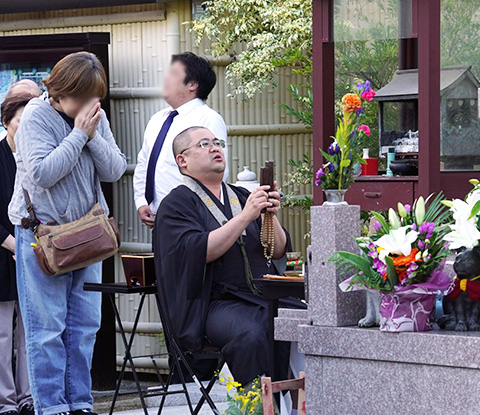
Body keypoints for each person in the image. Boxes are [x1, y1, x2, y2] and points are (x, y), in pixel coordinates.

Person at [8, 52, 126, 415]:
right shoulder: (35, 117)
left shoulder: (93, 115)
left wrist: (90, 134)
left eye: (97, 97)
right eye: (85, 96)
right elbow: (42, 173)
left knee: (85, 326)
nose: (93, 104)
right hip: (42, 236)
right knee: (47, 330)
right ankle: (53, 408)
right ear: (60, 92)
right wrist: (79, 135)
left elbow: (115, 169)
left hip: (87, 234)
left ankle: (79, 403)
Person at [153, 126, 303, 385]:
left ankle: (303, 402)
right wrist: (246, 216)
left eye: (217, 142)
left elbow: (277, 250)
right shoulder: (176, 204)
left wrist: (269, 215)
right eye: (203, 144)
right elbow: (201, 251)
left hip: (259, 296)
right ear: (182, 160)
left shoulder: (241, 195)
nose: (214, 148)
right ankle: (259, 406)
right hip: (212, 305)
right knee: (254, 332)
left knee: (308, 319)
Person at [133, 52, 228, 229]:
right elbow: (143, 164)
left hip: (192, 218)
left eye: (174, 73)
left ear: (192, 84)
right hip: (159, 217)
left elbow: (218, 170)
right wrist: (141, 201)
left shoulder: (208, 119)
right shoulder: (157, 119)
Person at [0, 87, 39, 415]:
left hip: (36, 253)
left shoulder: (35, 155)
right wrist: (13, 243)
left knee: (32, 331)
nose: (26, 127)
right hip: (2, 253)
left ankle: (29, 398)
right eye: (20, 120)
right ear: (7, 121)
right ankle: (5, 401)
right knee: (1, 334)